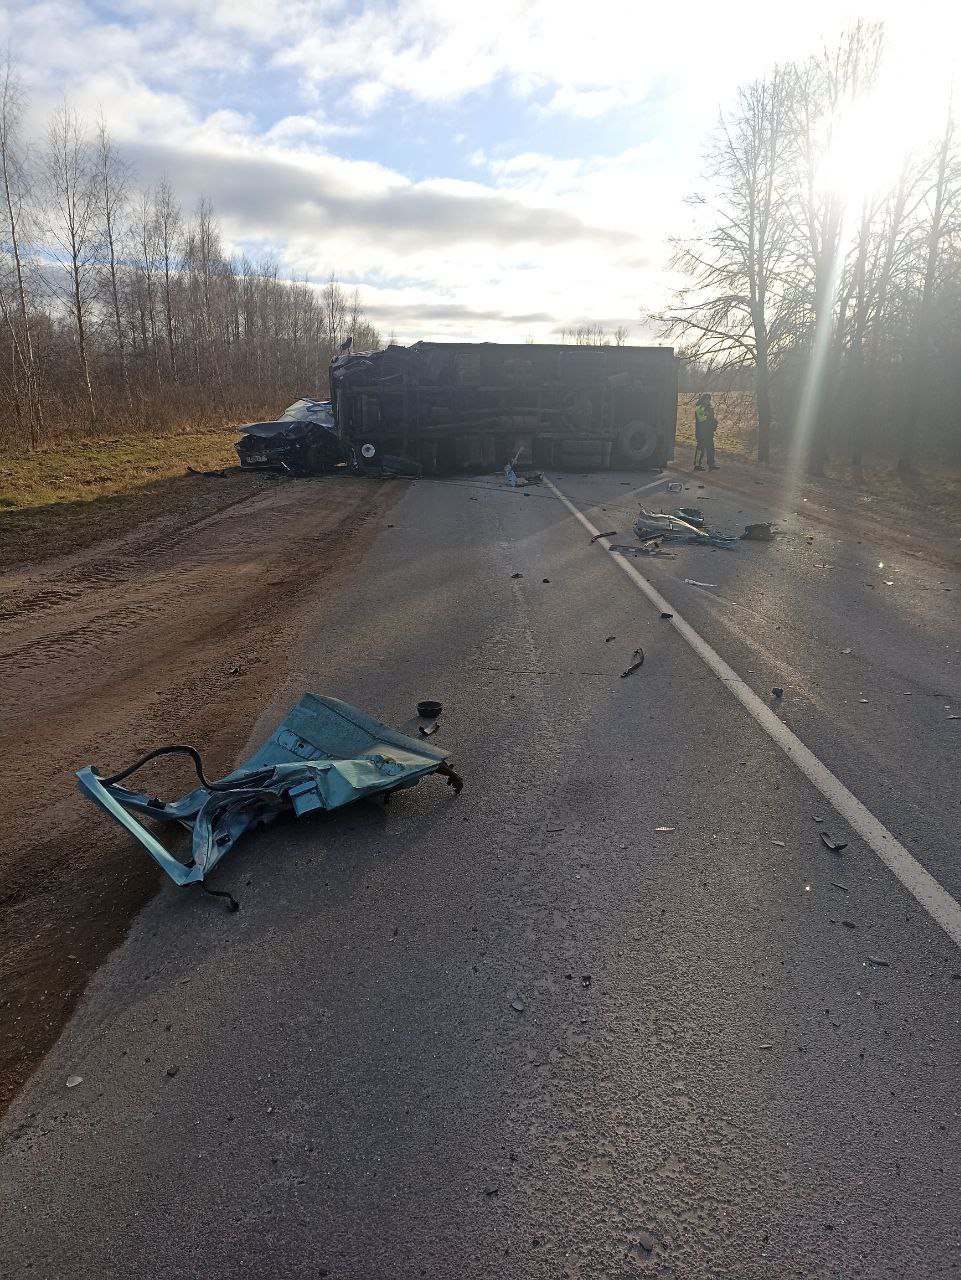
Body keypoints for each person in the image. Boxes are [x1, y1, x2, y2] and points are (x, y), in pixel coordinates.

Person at [693, 393, 718, 471]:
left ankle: (711, 465)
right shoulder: (699, 407)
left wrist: (714, 423)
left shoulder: (709, 408)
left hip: (709, 432)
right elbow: (701, 419)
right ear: (702, 399)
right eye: (706, 399)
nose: (707, 400)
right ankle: (697, 465)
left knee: (711, 449)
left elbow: (711, 419)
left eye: (708, 399)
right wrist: (711, 420)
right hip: (701, 432)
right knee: (700, 449)